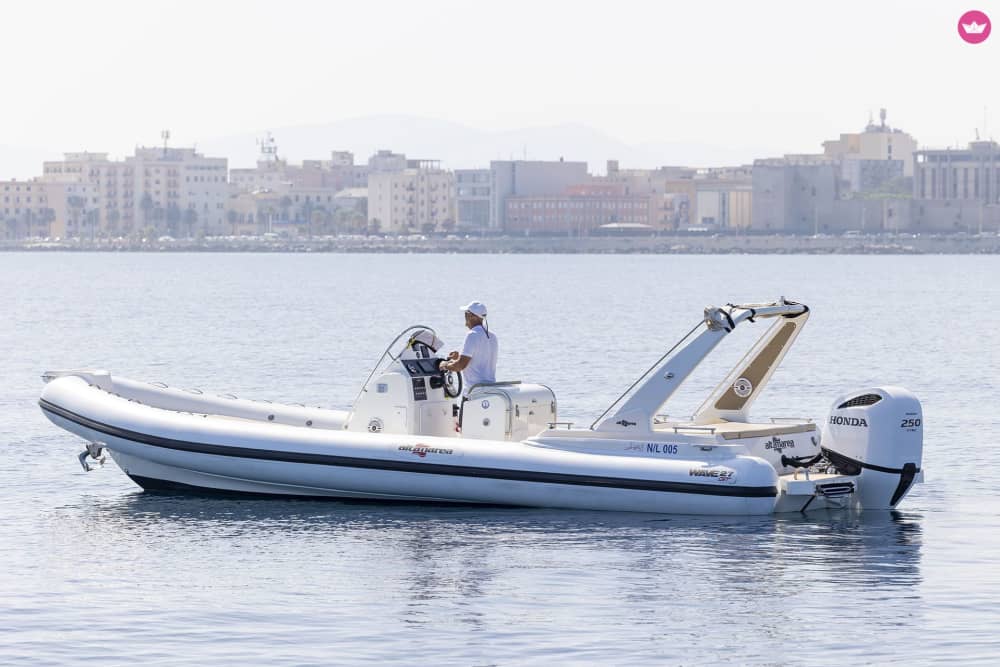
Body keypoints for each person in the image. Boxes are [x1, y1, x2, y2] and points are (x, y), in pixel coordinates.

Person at [440, 300, 498, 396]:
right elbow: (480, 358)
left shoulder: (472, 335)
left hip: (474, 393)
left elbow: (460, 366)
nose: (465, 316)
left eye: (466, 313)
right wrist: (459, 356)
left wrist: (444, 365)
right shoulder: (492, 336)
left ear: (471, 316)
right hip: (491, 392)